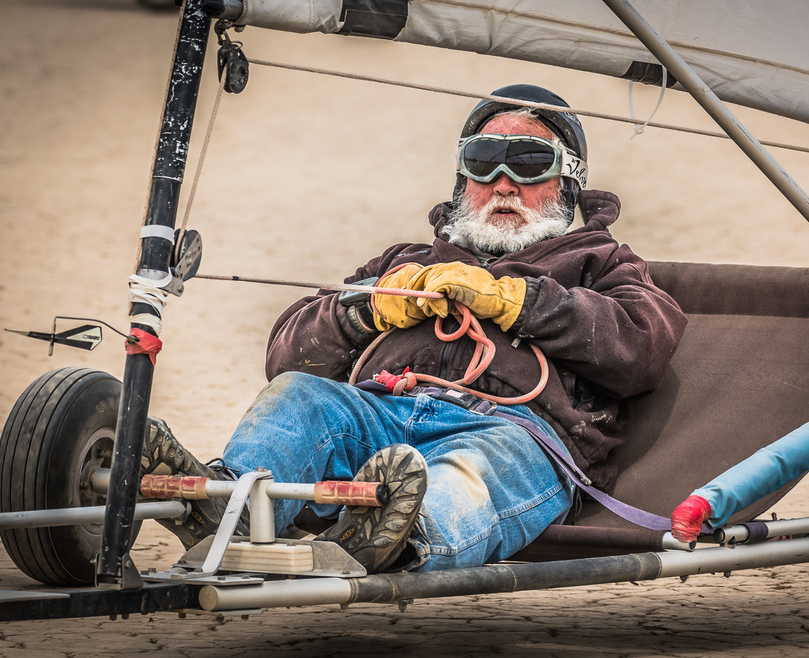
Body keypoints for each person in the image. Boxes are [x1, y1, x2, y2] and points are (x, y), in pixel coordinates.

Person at [141, 84, 688, 573]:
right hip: (380, 414)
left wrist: (519, 300)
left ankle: (401, 534)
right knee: (299, 396)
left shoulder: (603, 262)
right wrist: (370, 308)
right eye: (483, 161)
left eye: (528, 162)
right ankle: (228, 509)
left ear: (568, 181)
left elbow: (642, 345)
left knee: (474, 470)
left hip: (516, 435)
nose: (502, 183)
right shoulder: (409, 260)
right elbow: (286, 355)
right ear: (461, 179)